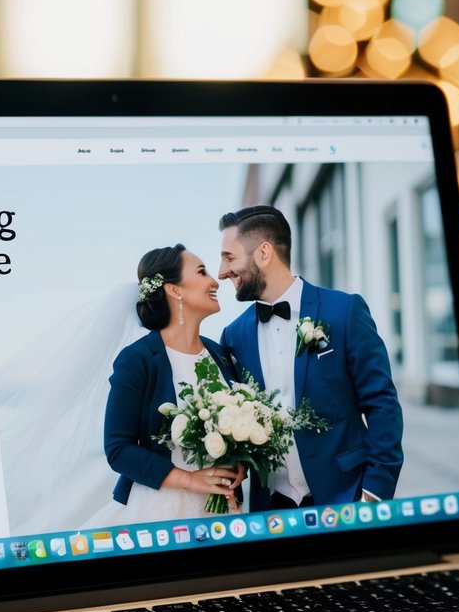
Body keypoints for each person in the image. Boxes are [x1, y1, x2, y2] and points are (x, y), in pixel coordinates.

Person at [217, 205, 403, 511]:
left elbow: (382, 403)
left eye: (229, 258)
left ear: (263, 254)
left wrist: (374, 493)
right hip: (271, 511)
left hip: (347, 498)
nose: (222, 272)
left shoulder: (344, 312)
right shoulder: (233, 336)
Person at [86, 244, 245, 527]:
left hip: (226, 511)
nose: (213, 281)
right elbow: (118, 449)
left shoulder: (220, 354)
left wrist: (240, 462)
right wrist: (190, 480)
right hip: (161, 511)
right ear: (175, 290)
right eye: (202, 272)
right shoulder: (137, 360)